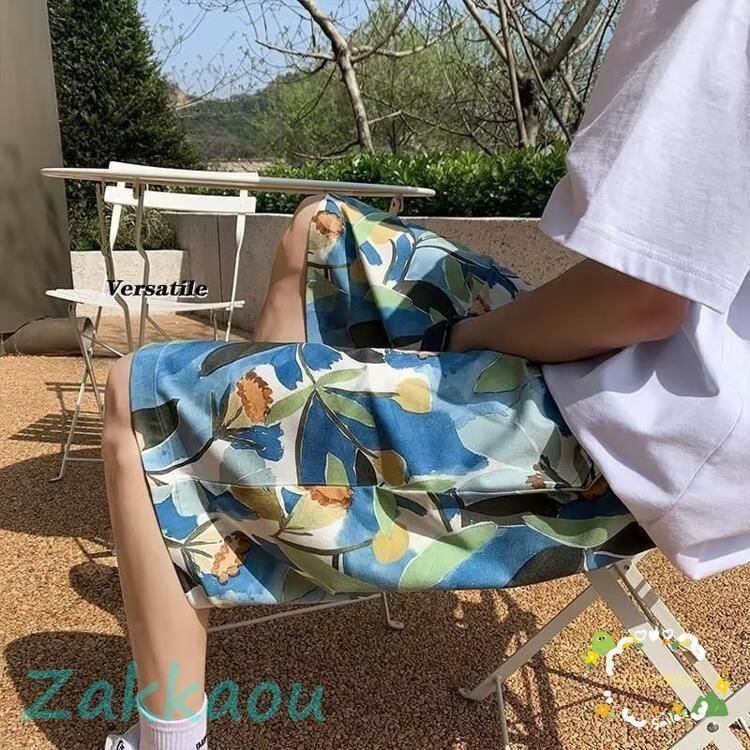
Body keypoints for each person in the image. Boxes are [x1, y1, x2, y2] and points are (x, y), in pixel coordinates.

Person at [102, 0, 750, 747]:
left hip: (652, 438)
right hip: (657, 368)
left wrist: (468, 340)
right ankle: (271, 506)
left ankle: (169, 738)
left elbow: (639, 301)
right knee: (320, 227)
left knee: (138, 397)